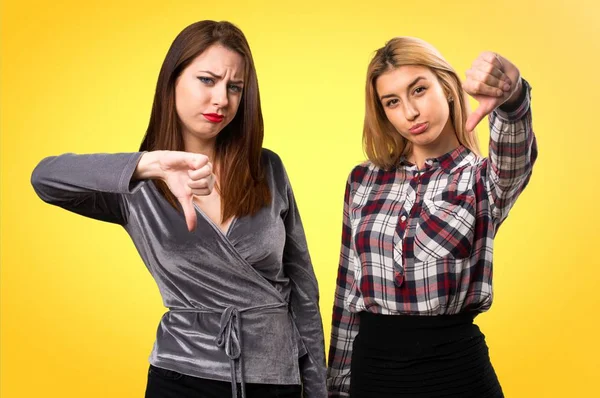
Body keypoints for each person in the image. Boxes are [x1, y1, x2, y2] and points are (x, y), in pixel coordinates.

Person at [31, 20, 326, 398]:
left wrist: (317, 389)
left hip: (275, 378)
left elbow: (303, 290)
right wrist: (147, 166)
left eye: (234, 87)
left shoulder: (267, 169)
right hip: (180, 376)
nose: (222, 99)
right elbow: (45, 178)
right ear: (172, 80)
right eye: (207, 80)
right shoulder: (134, 185)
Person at [326, 36, 537, 397]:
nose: (409, 113)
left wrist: (511, 95)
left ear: (448, 88)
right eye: (392, 102)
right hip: (372, 376)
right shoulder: (363, 180)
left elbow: (513, 154)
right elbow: (348, 294)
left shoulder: (482, 180)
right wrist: (337, 386)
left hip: (455, 375)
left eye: (419, 90)